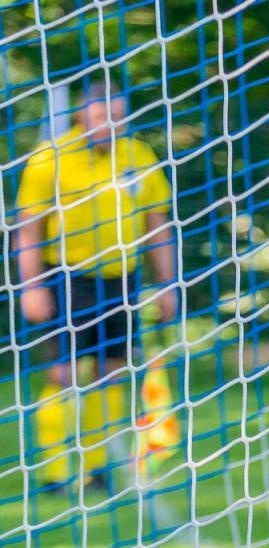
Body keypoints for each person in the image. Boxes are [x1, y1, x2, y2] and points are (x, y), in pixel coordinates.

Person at [13, 80, 178, 492]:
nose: (110, 124)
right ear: (82, 114)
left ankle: (98, 466)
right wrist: (30, 286)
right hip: (67, 277)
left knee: (112, 372)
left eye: (118, 116)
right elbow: (28, 230)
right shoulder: (50, 159)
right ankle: (56, 472)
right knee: (62, 372)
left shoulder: (139, 157)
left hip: (122, 279)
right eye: (102, 114)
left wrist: (167, 285)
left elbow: (157, 226)